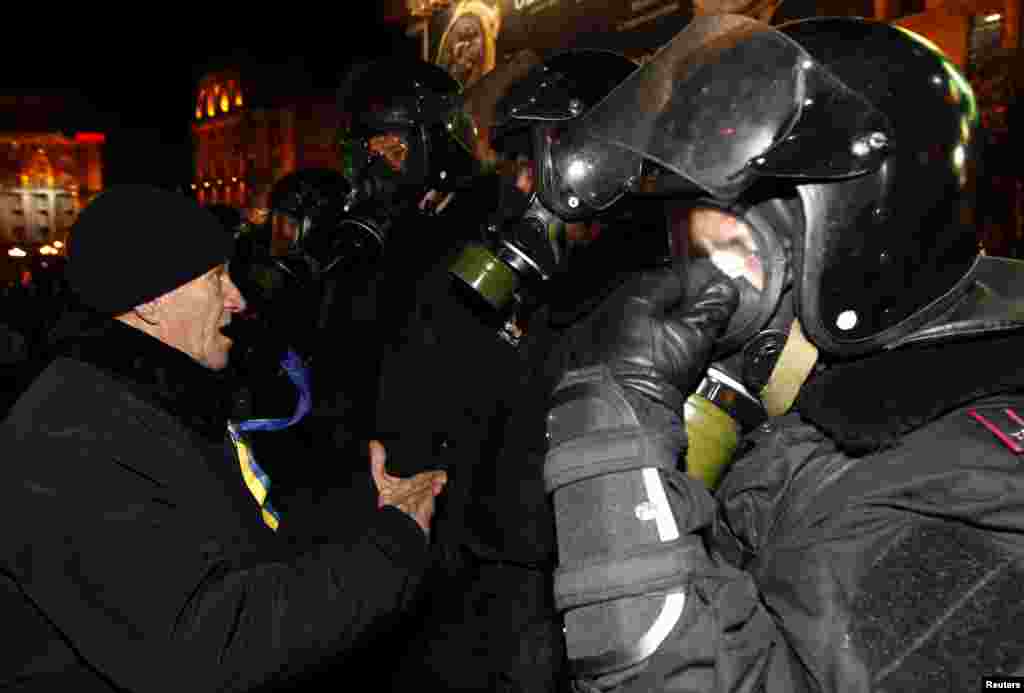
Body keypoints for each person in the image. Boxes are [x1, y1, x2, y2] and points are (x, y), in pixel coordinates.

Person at [534, 14, 1024, 692]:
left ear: (851, 253)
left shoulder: (945, 502)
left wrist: (610, 442)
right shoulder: (825, 434)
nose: (705, 292)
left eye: (733, 254)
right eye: (689, 251)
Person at [0, 184, 447, 692]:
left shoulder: (152, 399)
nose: (236, 298)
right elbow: (204, 645)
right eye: (216, 279)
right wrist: (389, 550)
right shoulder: (70, 440)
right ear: (151, 300)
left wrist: (368, 508)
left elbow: (248, 539)